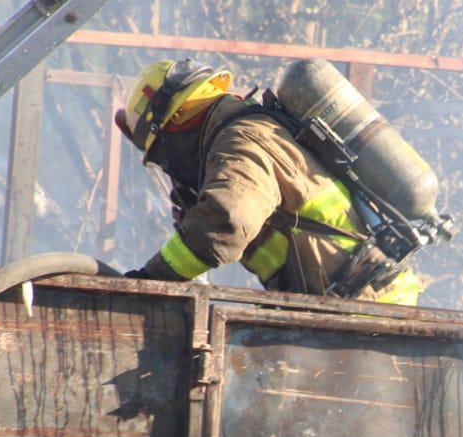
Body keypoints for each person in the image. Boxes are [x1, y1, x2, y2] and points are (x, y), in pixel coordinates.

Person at [114, 58, 423, 305]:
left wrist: (152, 278)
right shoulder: (240, 136)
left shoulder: (242, 140)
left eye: (161, 155)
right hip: (355, 302)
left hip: (365, 307)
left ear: (177, 122)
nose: (169, 169)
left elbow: (228, 221)